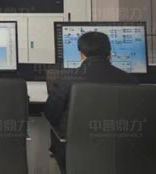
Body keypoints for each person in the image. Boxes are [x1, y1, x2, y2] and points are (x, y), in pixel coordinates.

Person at [44, 31, 137, 173]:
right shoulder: (132, 82)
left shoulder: (65, 82)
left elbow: (51, 115)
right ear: (109, 54)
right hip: (120, 155)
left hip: (74, 154)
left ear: (81, 55)